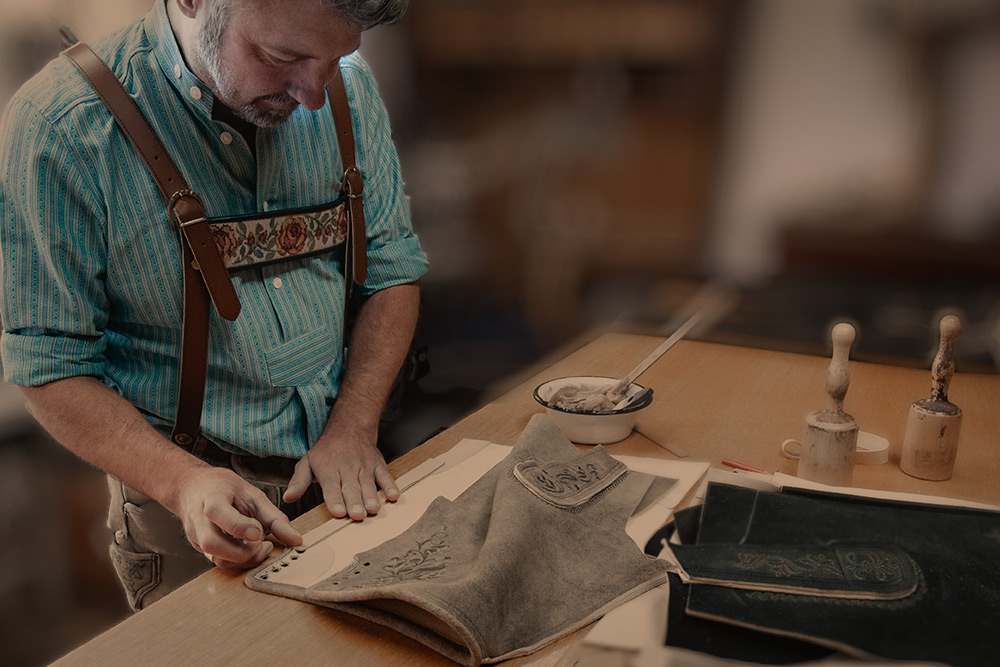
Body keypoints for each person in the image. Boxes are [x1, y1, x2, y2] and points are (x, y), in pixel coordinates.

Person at [0, 0, 427, 610]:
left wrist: (354, 425)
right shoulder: (63, 128)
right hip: (193, 505)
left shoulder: (347, 91)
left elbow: (391, 269)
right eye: (282, 57)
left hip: (344, 472)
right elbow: (49, 364)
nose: (313, 94)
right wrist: (183, 482)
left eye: (335, 58)